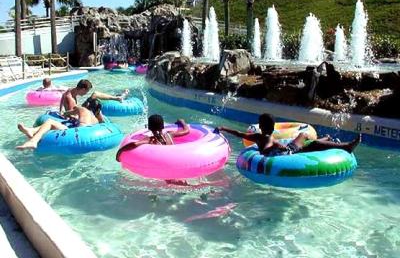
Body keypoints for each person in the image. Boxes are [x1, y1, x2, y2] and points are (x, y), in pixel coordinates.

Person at [216, 113, 361, 157]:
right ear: (274, 127)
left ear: (260, 127)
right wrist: (284, 147)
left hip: (285, 151)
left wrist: (223, 128)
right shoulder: (264, 138)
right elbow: (277, 146)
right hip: (287, 153)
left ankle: (327, 140)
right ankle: (345, 146)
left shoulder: (258, 137)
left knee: (309, 143)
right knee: (305, 137)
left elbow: (238, 133)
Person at [16, 98, 104, 150]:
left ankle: (33, 141)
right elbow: (102, 122)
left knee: (50, 121)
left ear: (87, 104)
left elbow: (69, 112)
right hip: (87, 137)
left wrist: (65, 114)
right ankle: (31, 130)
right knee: (54, 124)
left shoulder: (82, 109)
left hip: (76, 134)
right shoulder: (96, 119)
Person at [116, 114, 189, 162]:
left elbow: (134, 144)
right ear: (162, 126)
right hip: (175, 160)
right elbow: (186, 131)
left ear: (149, 128)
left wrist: (120, 151)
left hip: (163, 165)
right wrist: (182, 122)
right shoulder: (169, 135)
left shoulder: (152, 139)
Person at [60, 79, 127, 113]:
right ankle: (117, 98)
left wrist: (60, 110)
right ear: (83, 89)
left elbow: (63, 96)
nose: (86, 93)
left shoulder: (70, 90)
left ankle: (117, 98)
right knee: (95, 95)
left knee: (95, 95)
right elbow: (72, 114)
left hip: (77, 110)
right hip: (78, 113)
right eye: (87, 91)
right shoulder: (70, 99)